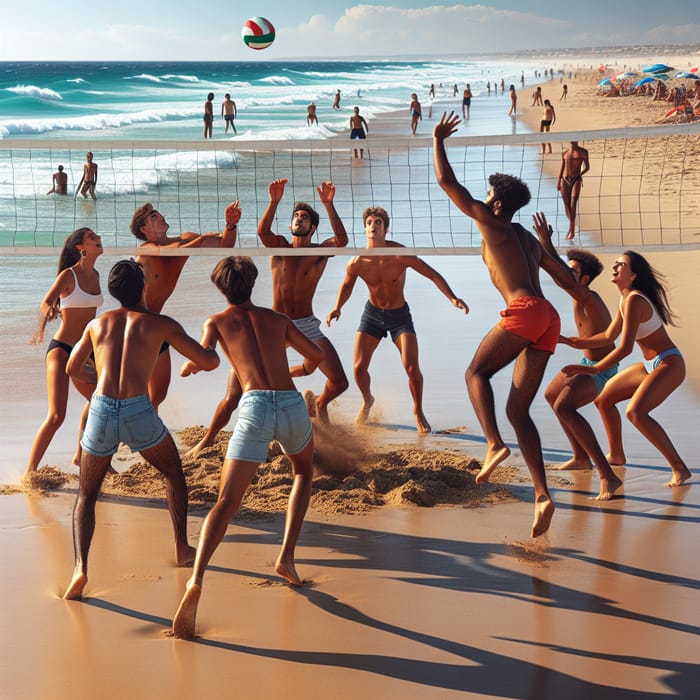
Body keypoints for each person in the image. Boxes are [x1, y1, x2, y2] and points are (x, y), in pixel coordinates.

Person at [433, 111, 577, 538]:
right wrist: (549, 244)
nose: (483, 196)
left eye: (488, 192)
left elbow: (447, 184)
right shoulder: (528, 240)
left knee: (476, 372)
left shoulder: (491, 222)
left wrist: (438, 141)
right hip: (548, 316)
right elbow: (568, 282)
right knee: (519, 409)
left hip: (527, 309)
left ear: (496, 204)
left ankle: (494, 444)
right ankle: (542, 495)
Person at [172, 256, 324, 639]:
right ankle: (286, 557)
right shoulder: (278, 320)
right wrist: (289, 372)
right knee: (303, 472)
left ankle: (197, 578)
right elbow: (316, 358)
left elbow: (207, 359)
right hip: (290, 403)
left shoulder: (217, 322)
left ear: (220, 287)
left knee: (226, 501)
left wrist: (192, 367)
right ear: (253, 283)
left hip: (253, 406)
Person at [62, 260, 220, 601]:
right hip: (137, 409)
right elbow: (209, 362)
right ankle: (181, 548)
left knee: (87, 495)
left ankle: (80, 569)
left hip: (102, 408)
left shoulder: (98, 324)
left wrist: (100, 379)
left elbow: (72, 367)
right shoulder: (161, 324)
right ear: (144, 288)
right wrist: (211, 347)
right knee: (173, 473)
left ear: (114, 293)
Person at [185, 180, 348, 459]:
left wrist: (329, 205)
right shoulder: (280, 246)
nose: (299, 219)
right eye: (296, 216)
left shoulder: (318, 253)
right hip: (272, 323)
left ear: (313, 227)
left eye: (304, 217)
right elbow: (262, 231)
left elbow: (342, 241)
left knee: (339, 382)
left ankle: (319, 404)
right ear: (290, 226)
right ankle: (208, 439)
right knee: (234, 395)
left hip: (305, 323)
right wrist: (274, 201)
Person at [327, 206, 468, 434]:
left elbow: (432, 274)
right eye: (370, 222)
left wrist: (452, 298)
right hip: (372, 315)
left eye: (378, 223)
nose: (373, 226)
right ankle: (367, 400)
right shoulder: (357, 262)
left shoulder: (400, 254)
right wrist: (337, 307)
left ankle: (418, 411)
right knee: (358, 368)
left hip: (399, 315)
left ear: (386, 228)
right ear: (365, 229)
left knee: (411, 367)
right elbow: (346, 285)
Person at [560, 252, 691, 488]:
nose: (615, 266)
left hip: (669, 363)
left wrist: (594, 369)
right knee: (604, 400)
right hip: (652, 364)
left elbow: (625, 348)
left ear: (632, 275)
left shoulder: (635, 300)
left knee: (636, 413)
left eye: (621, 265)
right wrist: (574, 342)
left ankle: (680, 469)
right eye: (616, 263)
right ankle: (617, 455)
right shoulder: (625, 298)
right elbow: (609, 335)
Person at [534, 215, 622, 500]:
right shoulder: (578, 294)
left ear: (583, 279)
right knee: (551, 395)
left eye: (572, 271)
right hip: (586, 363)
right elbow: (560, 275)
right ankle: (580, 457)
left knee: (565, 406)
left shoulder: (588, 298)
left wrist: (546, 244)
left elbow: (607, 337)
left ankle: (607, 476)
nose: (566, 275)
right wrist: (547, 247)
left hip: (601, 368)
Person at [129, 200, 239, 410]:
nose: (160, 216)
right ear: (144, 230)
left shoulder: (185, 240)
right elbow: (170, 253)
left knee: (158, 394)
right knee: (126, 390)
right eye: (153, 217)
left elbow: (226, 245)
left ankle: (144, 434)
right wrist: (201, 240)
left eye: (158, 213)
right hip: (135, 326)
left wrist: (230, 225)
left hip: (156, 326)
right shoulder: (147, 250)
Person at [26, 228, 104, 478]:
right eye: (92, 237)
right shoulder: (68, 275)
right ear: (81, 248)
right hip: (62, 349)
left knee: (98, 403)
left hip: (86, 352)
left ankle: (81, 456)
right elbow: (46, 301)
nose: (98, 238)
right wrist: (46, 314)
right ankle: (30, 472)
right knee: (57, 415)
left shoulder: (97, 275)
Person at [558, 141, 590, 239]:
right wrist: (558, 181)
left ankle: (571, 230)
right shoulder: (565, 153)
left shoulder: (583, 152)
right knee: (566, 205)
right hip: (565, 179)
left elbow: (587, 167)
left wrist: (580, 174)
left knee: (573, 203)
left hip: (576, 179)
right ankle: (572, 224)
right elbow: (562, 167)